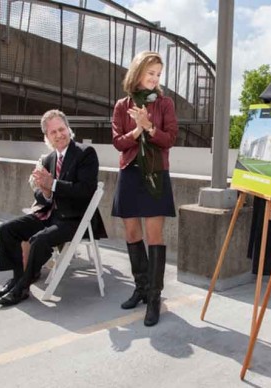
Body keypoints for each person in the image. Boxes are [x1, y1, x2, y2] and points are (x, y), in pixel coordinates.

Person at [0, 109, 104, 306]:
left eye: (62, 129)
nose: (59, 134)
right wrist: (45, 192)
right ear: (47, 137)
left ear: (68, 129)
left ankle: (22, 287)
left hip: (75, 218)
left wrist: (52, 184)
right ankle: (18, 278)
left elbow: (85, 190)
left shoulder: (85, 153)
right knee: (8, 229)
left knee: (38, 240)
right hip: (51, 215)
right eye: (53, 132)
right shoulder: (49, 159)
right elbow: (40, 192)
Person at [111, 50, 178, 327]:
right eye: (150, 73)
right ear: (137, 72)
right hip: (130, 173)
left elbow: (170, 139)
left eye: (158, 74)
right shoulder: (121, 105)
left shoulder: (165, 104)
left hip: (155, 174)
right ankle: (140, 287)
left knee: (154, 235)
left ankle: (154, 297)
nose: (154, 78)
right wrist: (137, 131)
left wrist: (149, 127)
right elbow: (118, 142)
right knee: (131, 232)